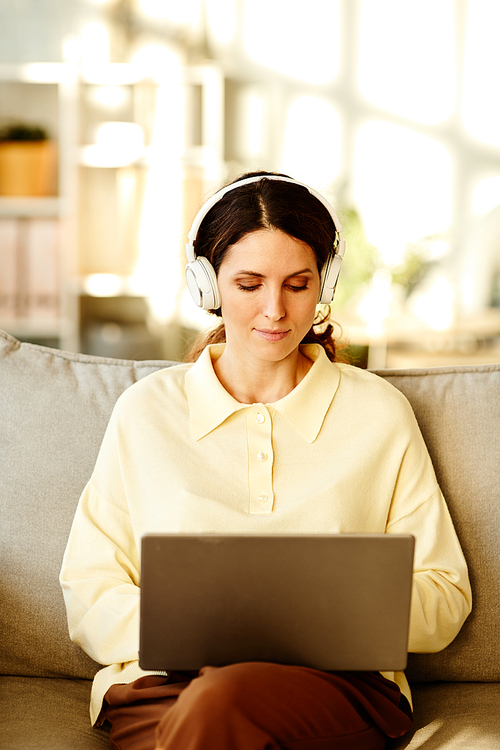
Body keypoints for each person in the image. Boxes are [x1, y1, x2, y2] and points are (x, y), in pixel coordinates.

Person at [60, 171, 472, 750]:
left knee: (218, 708)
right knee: (212, 708)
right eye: (249, 283)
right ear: (207, 286)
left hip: (335, 688)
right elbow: (90, 588)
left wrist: (331, 616)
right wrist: (204, 636)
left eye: (298, 285)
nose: (275, 310)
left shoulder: (379, 414)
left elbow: (446, 593)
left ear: (322, 284)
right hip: (161, 688)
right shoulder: (145, 414)